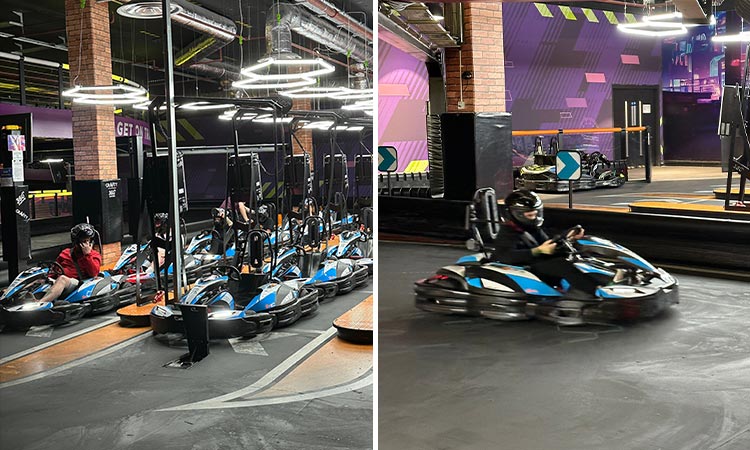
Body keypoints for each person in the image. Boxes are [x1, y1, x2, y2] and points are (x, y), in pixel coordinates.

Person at [492, 189, 617, 296]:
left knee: (579, 256)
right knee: (561, 264)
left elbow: (548, 243)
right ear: (517, 215)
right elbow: (505, 255)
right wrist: (538, 250)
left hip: (539, 262)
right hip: (526, 267)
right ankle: (598, 292)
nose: (535, 218)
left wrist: (568, 237)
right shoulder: (508, 232)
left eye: (536, 214)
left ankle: (610, 280)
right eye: (530, 215)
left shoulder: (532, 228)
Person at [38, 223, 102, 304]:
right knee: (39, 277)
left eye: (88, 241)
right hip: (59, 281)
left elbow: (94, 273)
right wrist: (46, 279)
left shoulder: (94, 255)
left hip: (78, 284)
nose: (86, 244)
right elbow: (54, 269)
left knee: (62, 279)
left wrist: (87, 255)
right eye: (83, 241)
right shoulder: (65, 253)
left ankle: (40, 304)